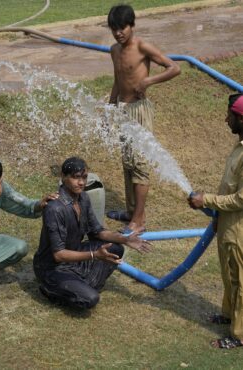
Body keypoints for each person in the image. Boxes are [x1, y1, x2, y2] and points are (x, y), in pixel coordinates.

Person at [33, 157, 152, 309]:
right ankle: (50, 289)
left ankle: (79, 286)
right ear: (63, 177)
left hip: (73, 257)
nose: (81, 183)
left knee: (116, 249)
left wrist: (125, 239)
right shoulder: (55, 208)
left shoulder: (83, 198)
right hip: (52, 268)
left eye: (84, 177)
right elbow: (59, 255)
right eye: (76, 178)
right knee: (90, 299)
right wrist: (94, 255)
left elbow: (97, 231)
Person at [106, 4, 180, 233]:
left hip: (139, 110)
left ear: (132, 26)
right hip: (123, 109)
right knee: (127, 163)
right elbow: (118, 81)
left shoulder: (142, 46)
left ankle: (139, 222)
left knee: (139, 164)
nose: (119, 33)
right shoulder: (114, 50)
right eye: (114, 29)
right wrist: (110, 109)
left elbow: (174, 68)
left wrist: (148, 81)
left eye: (123, 28)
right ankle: (130, 212)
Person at [189, 93, 243, 349]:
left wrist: (207, 200)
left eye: (229, 116)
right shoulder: (239, 146)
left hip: (240, 228)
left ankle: (239, 335)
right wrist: (217, 215)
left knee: (240, 279)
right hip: (227, 223)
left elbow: (242, 199)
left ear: (241, 118)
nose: (225, 120)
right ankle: (229, 314)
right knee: (228, 272)